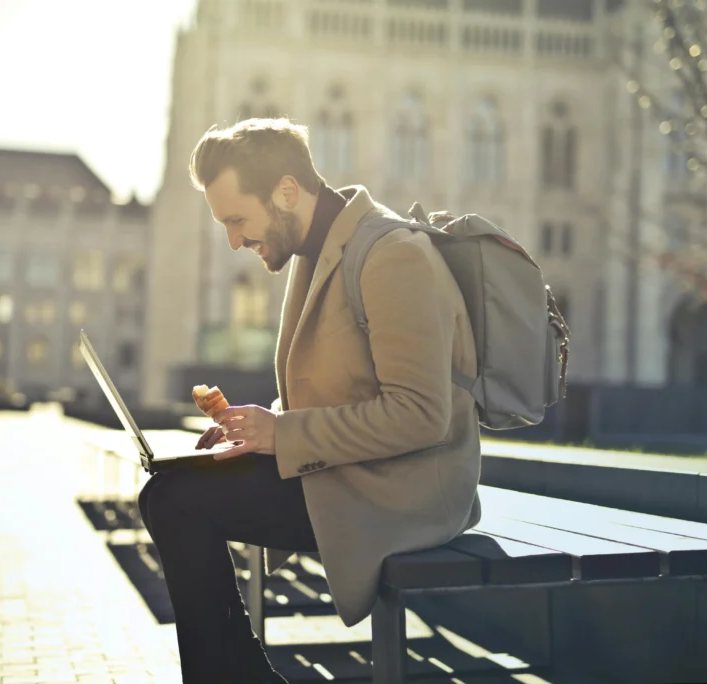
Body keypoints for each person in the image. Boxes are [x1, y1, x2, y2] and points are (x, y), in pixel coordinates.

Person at [136, 117, 482, 683]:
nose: (234, 240)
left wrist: (282, 436)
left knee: (177, 502)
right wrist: (258, 426)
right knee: (167, 494)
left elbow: (422, 414)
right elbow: (341, 388)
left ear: (287, 192)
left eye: (237, 220)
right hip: (355, 473)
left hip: (406, 492)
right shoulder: (319, 253)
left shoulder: (394, 255)